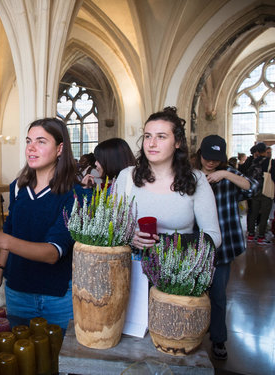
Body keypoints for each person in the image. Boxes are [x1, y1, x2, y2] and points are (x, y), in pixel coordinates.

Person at [0, 118, 88, 330]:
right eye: (29, 140)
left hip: (57, 295)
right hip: (18, 291)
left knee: (57, 358)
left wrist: (1, 238)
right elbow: (11, 229)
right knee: (22, 356)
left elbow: (53, 253)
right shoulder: (18, 187)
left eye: (41, 141)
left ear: (59, 148)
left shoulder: (76, 194)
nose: (31, 147)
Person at [115, 107, 221, 251]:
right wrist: (128, 236)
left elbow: (214, 236)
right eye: (147, 136)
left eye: (161, 136)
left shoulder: (196, 180)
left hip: (175, 269)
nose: (152, 143)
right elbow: (112, 225)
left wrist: (167, 243)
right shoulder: (127, 177)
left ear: (177, 142)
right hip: (130, 268)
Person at [193, 135, 259, 360]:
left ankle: (219, 338)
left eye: (216, 160)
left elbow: (252, 188)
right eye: (207, 158)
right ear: (199, 154)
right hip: (195, 244)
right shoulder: (190, 174)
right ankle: (190, 334)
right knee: (192, 294)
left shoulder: (228, 175)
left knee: (218, 295)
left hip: (223, 246)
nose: (210, 163)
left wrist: (226, 174)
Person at [246, 142, 275, 244]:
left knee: (253, 212)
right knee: (264, 214)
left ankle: (251, 234)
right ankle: (261, 236)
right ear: (266, 151)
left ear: (257, 151)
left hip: (255, 190)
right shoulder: (270, 162)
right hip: (266, 190)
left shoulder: (253, 161)